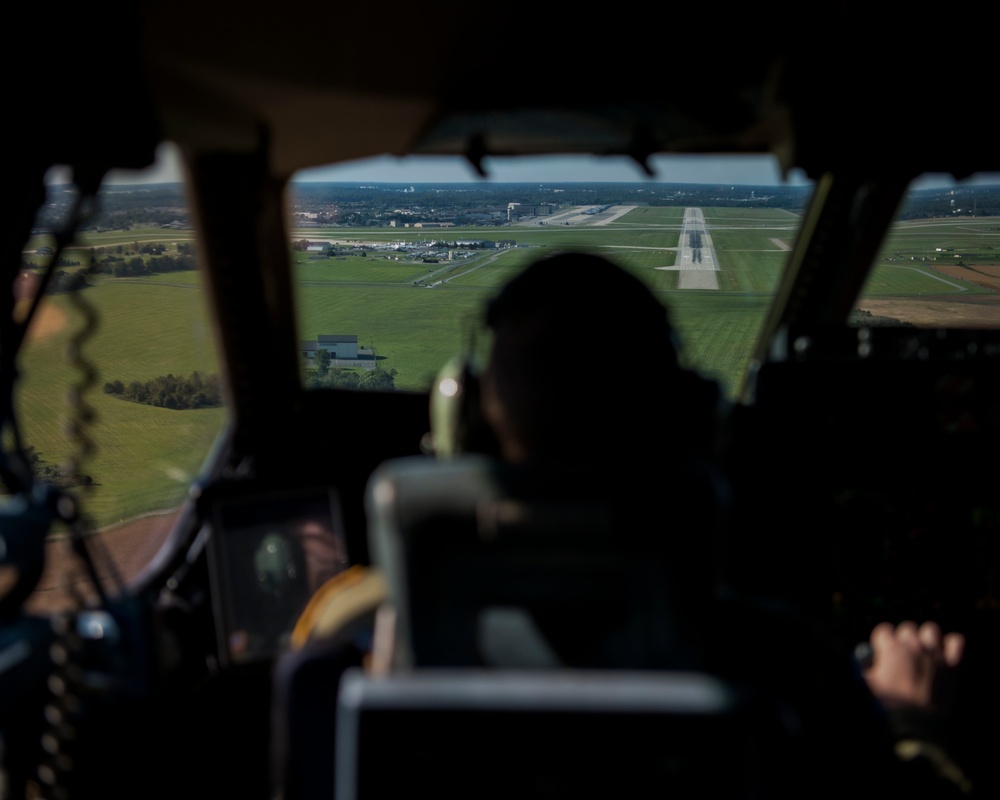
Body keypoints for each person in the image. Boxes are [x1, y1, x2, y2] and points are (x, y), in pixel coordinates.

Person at [274, 250, 975, 798]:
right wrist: (910, 722)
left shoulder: (351, 632)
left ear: (463, 426)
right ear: (693, 426)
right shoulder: (791, 671)